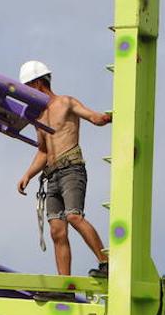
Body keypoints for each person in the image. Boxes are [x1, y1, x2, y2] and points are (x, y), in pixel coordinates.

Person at [15, 60, 112, 278]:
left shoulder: (65, 103)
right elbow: (42, 151)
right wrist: (28, 175)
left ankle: (106, 263)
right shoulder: (38, 117)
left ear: (38, 83)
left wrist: (107, 118)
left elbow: (93, 117)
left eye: (27, 87)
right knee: (56, 230)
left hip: (71, 169)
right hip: (52, 176)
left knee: (73, 216)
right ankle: (64, 284)